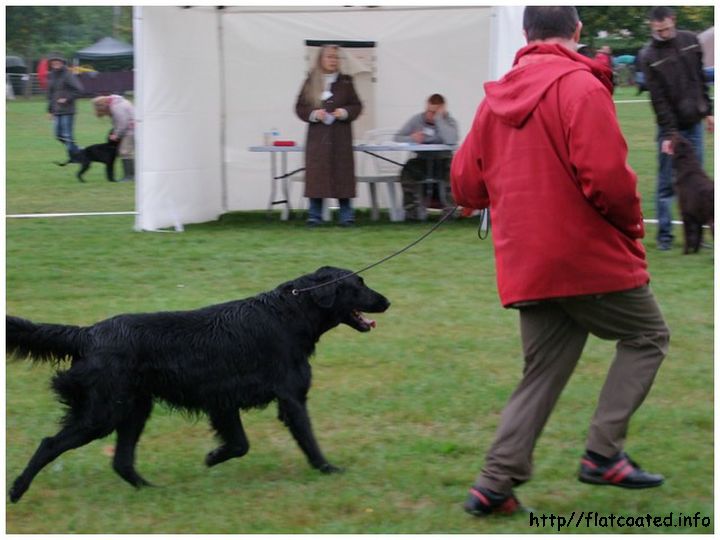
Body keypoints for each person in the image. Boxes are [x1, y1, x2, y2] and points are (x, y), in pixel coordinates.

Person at [451, 6, 669, 517]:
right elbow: (608, 180)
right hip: (583, 256)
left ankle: (493, 485)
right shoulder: (581, 86)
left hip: (528, 263)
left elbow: (464, 183)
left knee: (543, 371)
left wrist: (484, 195)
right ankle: (602, 452)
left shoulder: (495, 98)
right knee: (648, 336)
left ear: (526, 36)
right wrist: (631, 227)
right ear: (577, 31)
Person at [640, 6, 714, 250]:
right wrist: (670, 133)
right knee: (666, 184)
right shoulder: (648, 55)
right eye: (659, 30)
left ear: (673, 20)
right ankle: (665, 236)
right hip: (670, 129)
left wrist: (709, 111)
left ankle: (698, 238)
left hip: (694, 122)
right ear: (652, 27)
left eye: (667, 28)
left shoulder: (691, 40)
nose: (663, 33)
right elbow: (658, 100)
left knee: (698, 185)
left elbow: (699, 79)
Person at [295, 44, 363, 226]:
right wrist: (314, 114)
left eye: (336, 57)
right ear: (321, 59)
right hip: (318, 138)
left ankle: (346, 216)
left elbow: (357, 106)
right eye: (330, 57)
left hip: (340, 138)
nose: (333, 61)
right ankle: (314, 216)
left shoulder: (346, 81)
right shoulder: (311, 81)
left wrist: (345, 112)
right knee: (317, 176)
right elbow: (300, 107)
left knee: (343, 176)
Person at [394, 94, 459, 221]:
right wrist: (411, 138)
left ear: (442, 109)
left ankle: (449, 213)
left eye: (434, 112)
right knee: (407, 170)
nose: (430, 115)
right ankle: (412, 212)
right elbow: (397, 138)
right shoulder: (417, 120)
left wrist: (439, 120)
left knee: (452, 170)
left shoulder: (449, 122)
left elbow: (451, 140)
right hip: (422, 161)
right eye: (429, 111)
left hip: (443, 160)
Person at [46, 53, 84, 162]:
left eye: (58, 62)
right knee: (58, 135)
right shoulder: (52, 75)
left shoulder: (68, 75)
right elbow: (51, 95)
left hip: (68, 110)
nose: (56, 64)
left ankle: (74, 158)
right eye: (53, 62)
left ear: (62, 63)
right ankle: (77, 150)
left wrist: (67, 98)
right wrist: (49, 110)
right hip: (57, 110)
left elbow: (79, 90)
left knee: (67, 135)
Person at [92, 94, 135, 182]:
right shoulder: (115, 103)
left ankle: (130, 176)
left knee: (125, 151)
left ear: (104, 106)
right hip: (129, 129)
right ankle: (131, 175)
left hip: (131, 129)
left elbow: (123, 123)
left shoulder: (116, 107)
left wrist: (116, 135)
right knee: (125, 152)